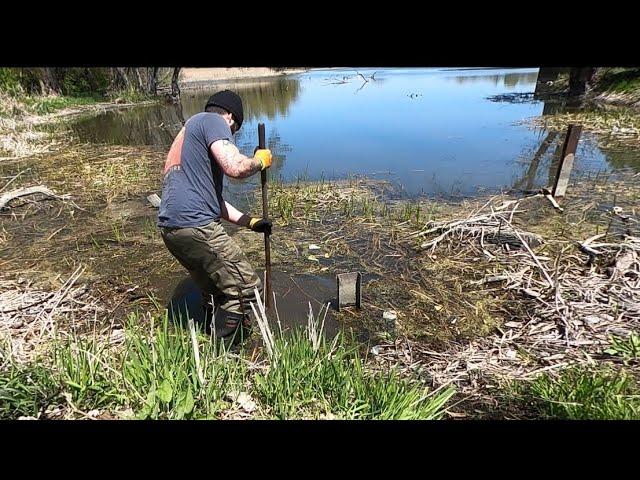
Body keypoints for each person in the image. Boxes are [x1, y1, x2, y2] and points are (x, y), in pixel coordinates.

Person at [157, 89, 272, 344]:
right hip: (195, 225)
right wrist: (258, 161)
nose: (231, 136)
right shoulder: (213, 121)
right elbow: (236, 167)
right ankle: (224, 354)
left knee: (216, 289)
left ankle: (209, 335)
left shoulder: (189, 133)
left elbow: (213, 203)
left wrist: (250, 222)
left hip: (171, 229)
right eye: (235, 131)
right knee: (246, 288)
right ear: (230, 117)